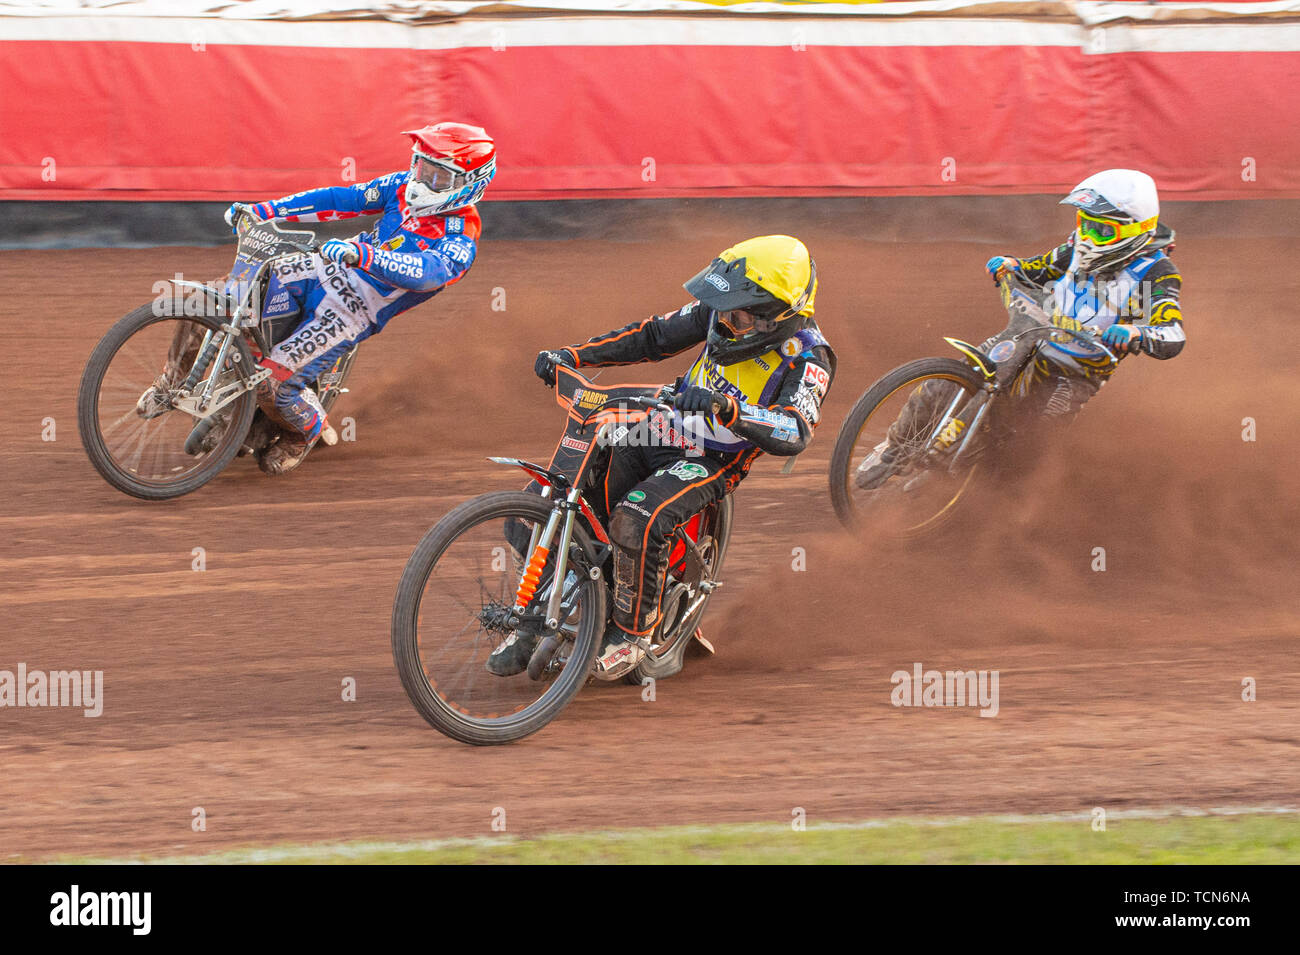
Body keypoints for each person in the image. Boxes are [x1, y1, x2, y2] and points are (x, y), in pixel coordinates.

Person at [486, 235, 836, 680]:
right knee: (542, 501)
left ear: (776, 317)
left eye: (739, 314)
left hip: (713, 457)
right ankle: (552, 604)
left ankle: (632, 635)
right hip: (659, 425)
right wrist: (573, 355)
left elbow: (795, 429)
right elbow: (651, 337)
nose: (725, 322)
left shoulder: (808, 357)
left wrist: (730, 410)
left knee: (637, 517)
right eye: (722, 308)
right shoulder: (718, 312)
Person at [856, 168, 1185, 489]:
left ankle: (979, 499)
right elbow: (1038, 268)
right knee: (946, 382)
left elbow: (1172, 332)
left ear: (1134, 231)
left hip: (1074, 372)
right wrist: (1013, 265)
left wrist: (1137, 334)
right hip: (1028, 335)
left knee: (1024, 455)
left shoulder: (1156, 273)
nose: (1087, 237)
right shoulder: (1076, 249)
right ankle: (894, 447)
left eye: (1101, 231)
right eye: (1085, 225)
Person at [223, 122, 494, 474]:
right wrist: (265, 211)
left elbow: (427, 274)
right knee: (232, 305)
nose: (422, 180)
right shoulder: (400, 185)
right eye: (421, 166)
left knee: (274, 384)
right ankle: (175, 381)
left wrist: (365, 256)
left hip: (352, 310)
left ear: (469, 184)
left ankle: (304, 432)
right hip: (321, 267)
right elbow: (342, 199)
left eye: (437, 176)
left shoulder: (460, 238)